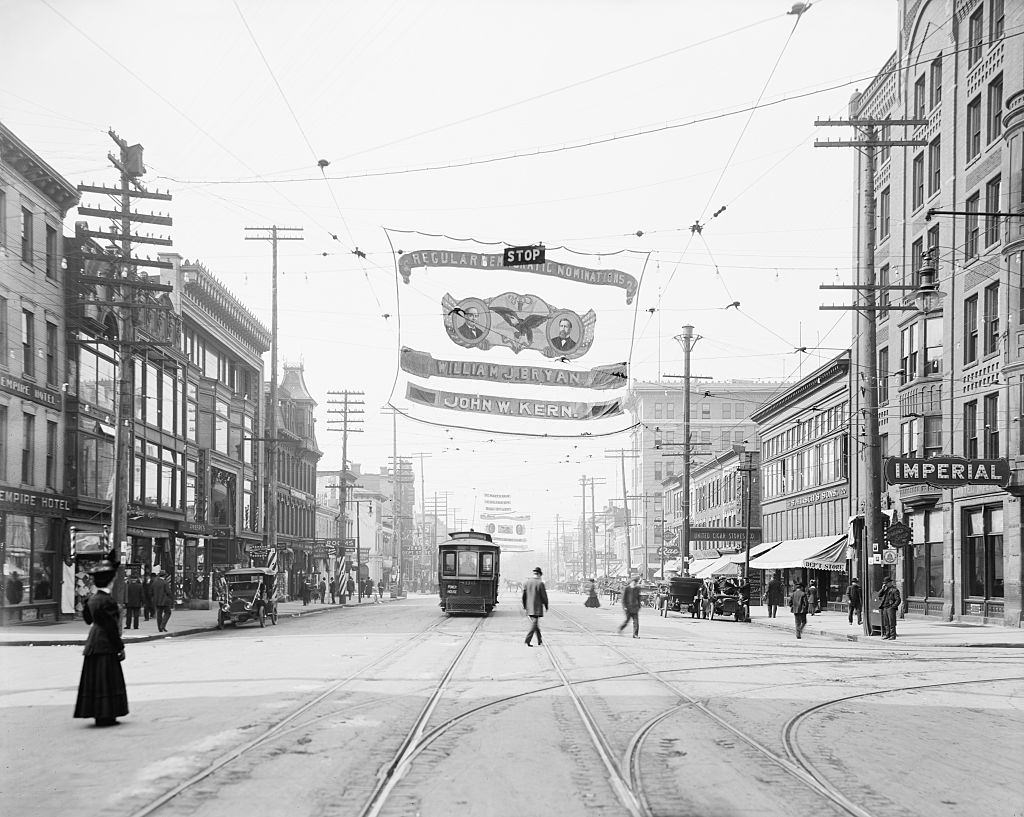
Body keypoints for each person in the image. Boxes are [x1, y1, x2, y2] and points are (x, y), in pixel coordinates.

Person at [73, 559, 128, 727]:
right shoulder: (108, 601)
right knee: (107, 679)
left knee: (94, 679)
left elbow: (88, 620)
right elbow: (111, 627)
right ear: (110, 581)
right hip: (105, 643)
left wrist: (85, 603)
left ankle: (97, 713)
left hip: (92, 642)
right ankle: (107, 715)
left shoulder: (93, 599)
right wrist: (120, 647)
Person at [521, 567, 549, 646]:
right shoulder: (540, 583)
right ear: (539, 574)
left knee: (535, 623)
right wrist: (546, 605)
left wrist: (524, 605)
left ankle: (540, 640)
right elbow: (544, 596)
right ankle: (528, 639)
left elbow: (524, 596)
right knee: (534, 623)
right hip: (536, 608)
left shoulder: (527, 582)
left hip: (529, 607)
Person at [877, 575, 902, 640]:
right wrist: (882, 589)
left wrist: (893, 606)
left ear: (890, 583)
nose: (885, 584)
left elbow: (898, 600)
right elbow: (879, 595)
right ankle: (887, 635)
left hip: (890, 608)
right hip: (885, 607)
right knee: (886, 623)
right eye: (884, 583)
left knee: (892, 622)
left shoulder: (894, 590)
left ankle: (893, 635)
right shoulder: (885, 590)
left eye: (886, 583)